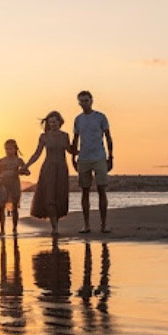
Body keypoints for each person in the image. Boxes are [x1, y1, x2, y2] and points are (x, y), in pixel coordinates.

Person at [24, 111, 73, 235]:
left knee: (60, 197)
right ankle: (54, 227)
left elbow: (71, 150)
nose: (53, 124)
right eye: (50, 122)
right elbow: (37, 153)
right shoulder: (44, 136)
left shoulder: (65, 136)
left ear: (60, 122)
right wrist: (26, 165)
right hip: (48, 168)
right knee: (50, 197)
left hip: (62, 168)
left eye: (55, 122)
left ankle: (56, 223)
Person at [71, 90, 114, 233]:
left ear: (91, 101)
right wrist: (73, 157)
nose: (84, 103)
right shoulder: (78, 119)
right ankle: (86, 225)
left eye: (86, 100)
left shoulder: (100, 117)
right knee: (85, 191)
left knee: (102, 189)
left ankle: (104, 224)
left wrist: (111, 157)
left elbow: (108, 137)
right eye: (81, 101)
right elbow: (75, 139)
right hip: (83, 158)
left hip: (99, 157)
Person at [0, 139, 28, 238]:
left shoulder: (18, 160)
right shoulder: (1, 161)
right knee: (1, 207)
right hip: (3, 184)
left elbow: (27, 172)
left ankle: (14, 229)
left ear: (15, 149)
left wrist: (22, 171)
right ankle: (2, 230)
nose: (8, 151)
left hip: (14, 184)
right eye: (7, 149)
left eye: (10, 149)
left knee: (15, 207)